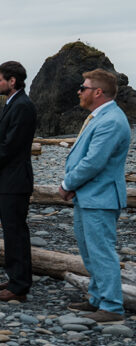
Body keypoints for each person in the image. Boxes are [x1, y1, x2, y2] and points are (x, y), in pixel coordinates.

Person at [59, 69, 131, 322]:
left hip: (100, 197)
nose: (79, 91)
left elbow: (94, 162)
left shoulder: (111, 120)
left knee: (101, 252)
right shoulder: (99, 116)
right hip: (89, 196)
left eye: (83, 87)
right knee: (90, 252)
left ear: (98, 92)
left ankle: (111, 307)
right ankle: (97, 298)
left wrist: (67, 183)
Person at [0, 61, 37, 302]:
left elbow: (11, 145)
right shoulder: (14, 103)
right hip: (10, 177)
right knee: (12, 231)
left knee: (15, 232)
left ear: (12, 80)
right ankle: (16, 278)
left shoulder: (23, 106)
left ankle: (19, 286)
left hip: (15, 179)